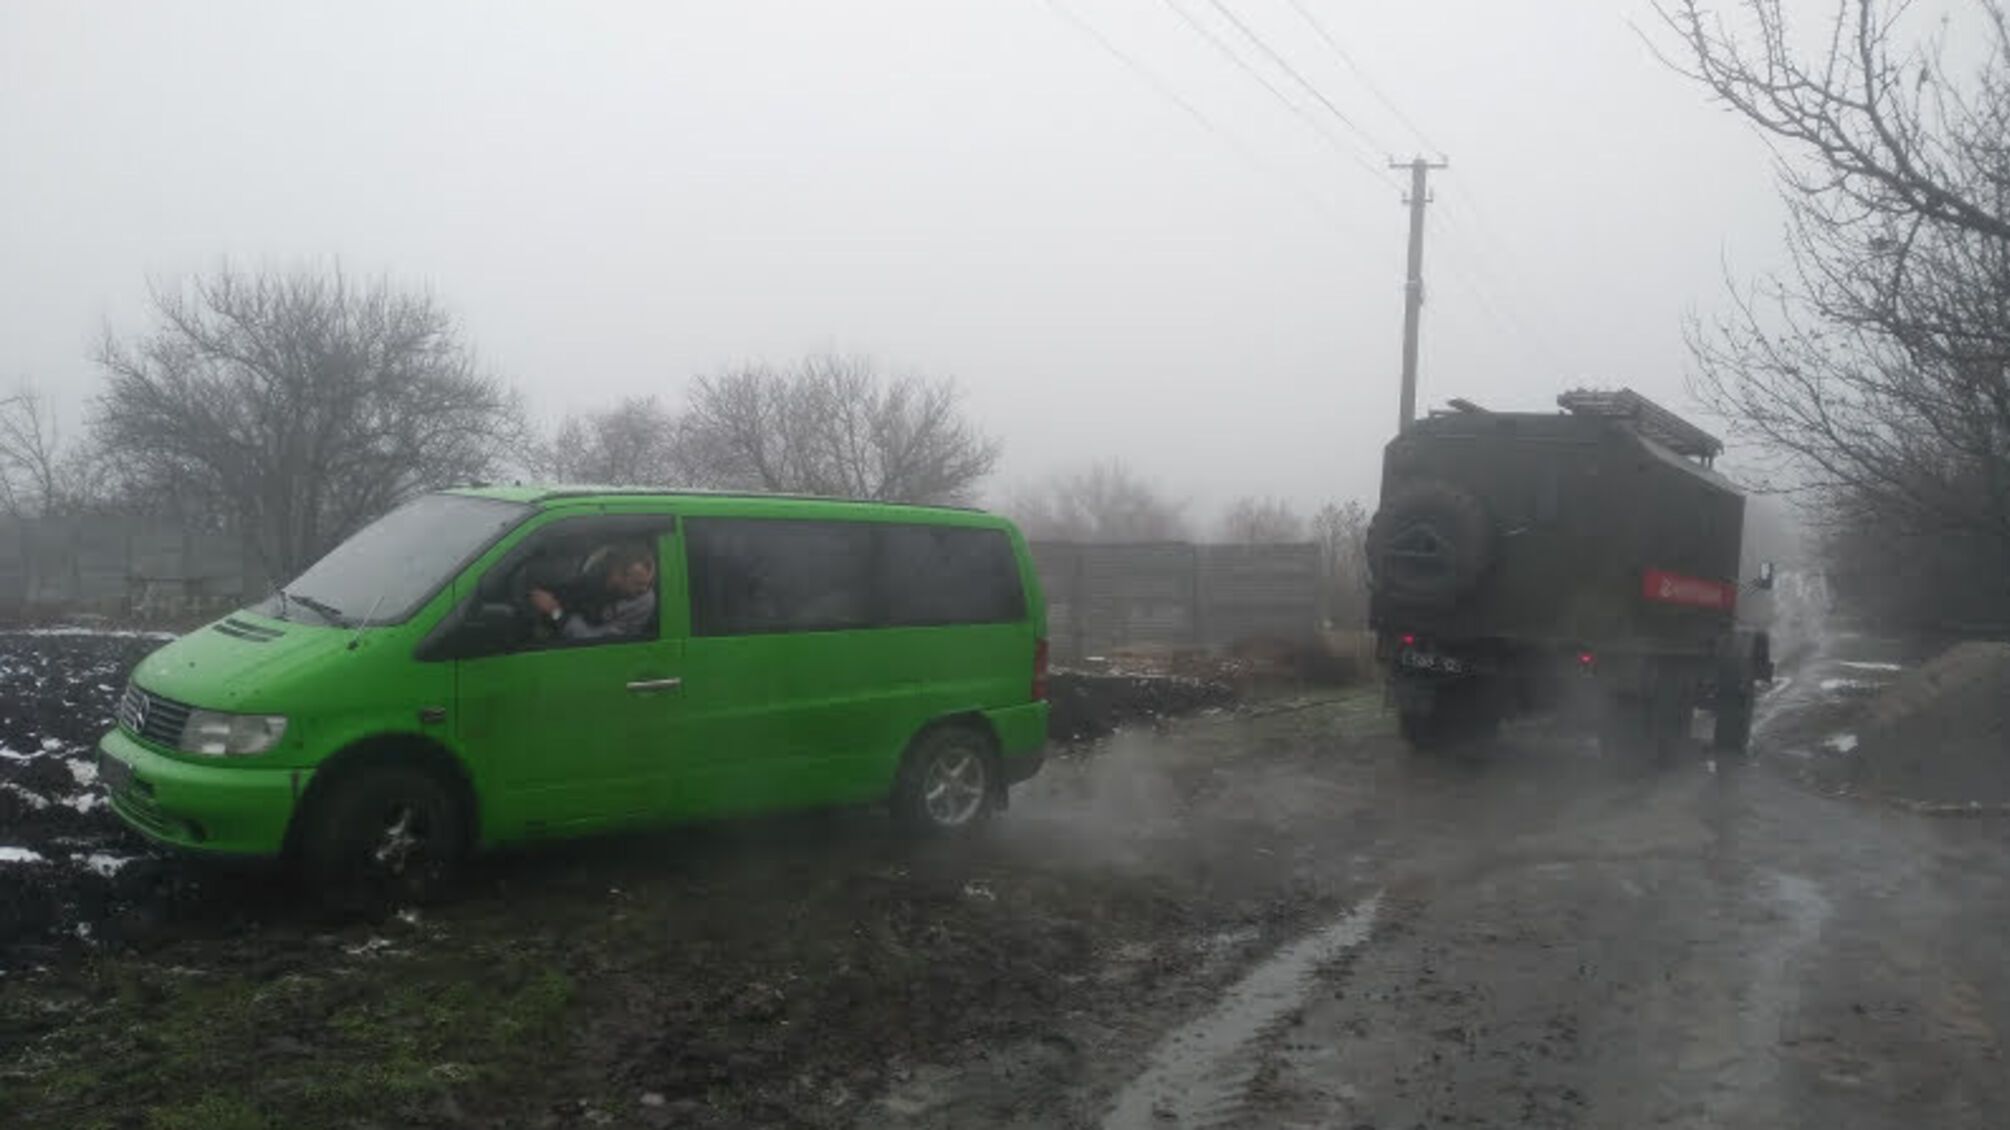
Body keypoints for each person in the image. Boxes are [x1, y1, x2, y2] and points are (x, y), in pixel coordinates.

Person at [528, 542, 657, 641]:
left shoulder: (643, 603)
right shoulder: (588, 573)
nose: (645, 589)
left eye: (649, 583)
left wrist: (554, 612)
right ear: (616, 574)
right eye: (638, 584)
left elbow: (592, 639)